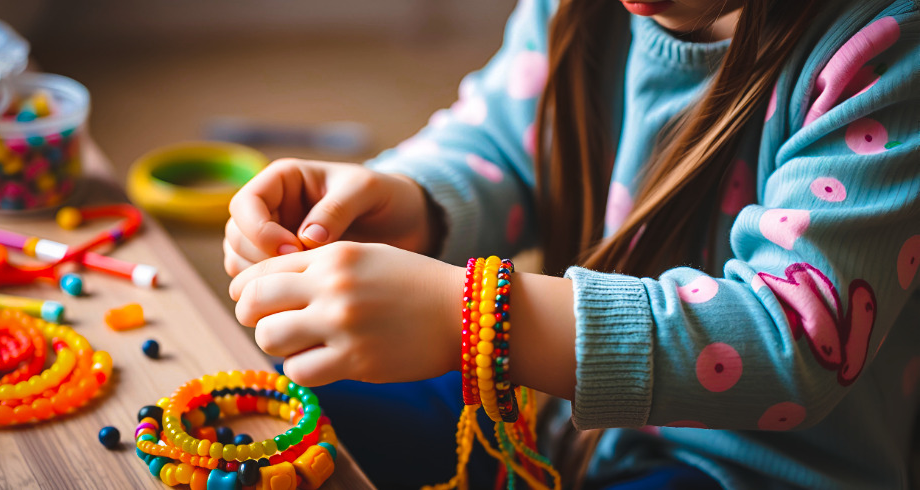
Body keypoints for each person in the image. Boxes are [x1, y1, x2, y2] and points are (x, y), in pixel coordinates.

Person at [223, 0, 920, 487]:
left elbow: (793, 339)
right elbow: (506, 139)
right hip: (557, 410)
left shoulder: (886, 50)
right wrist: (406, 203)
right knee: (310, 396)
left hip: (743, 470)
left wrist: (477, 317)